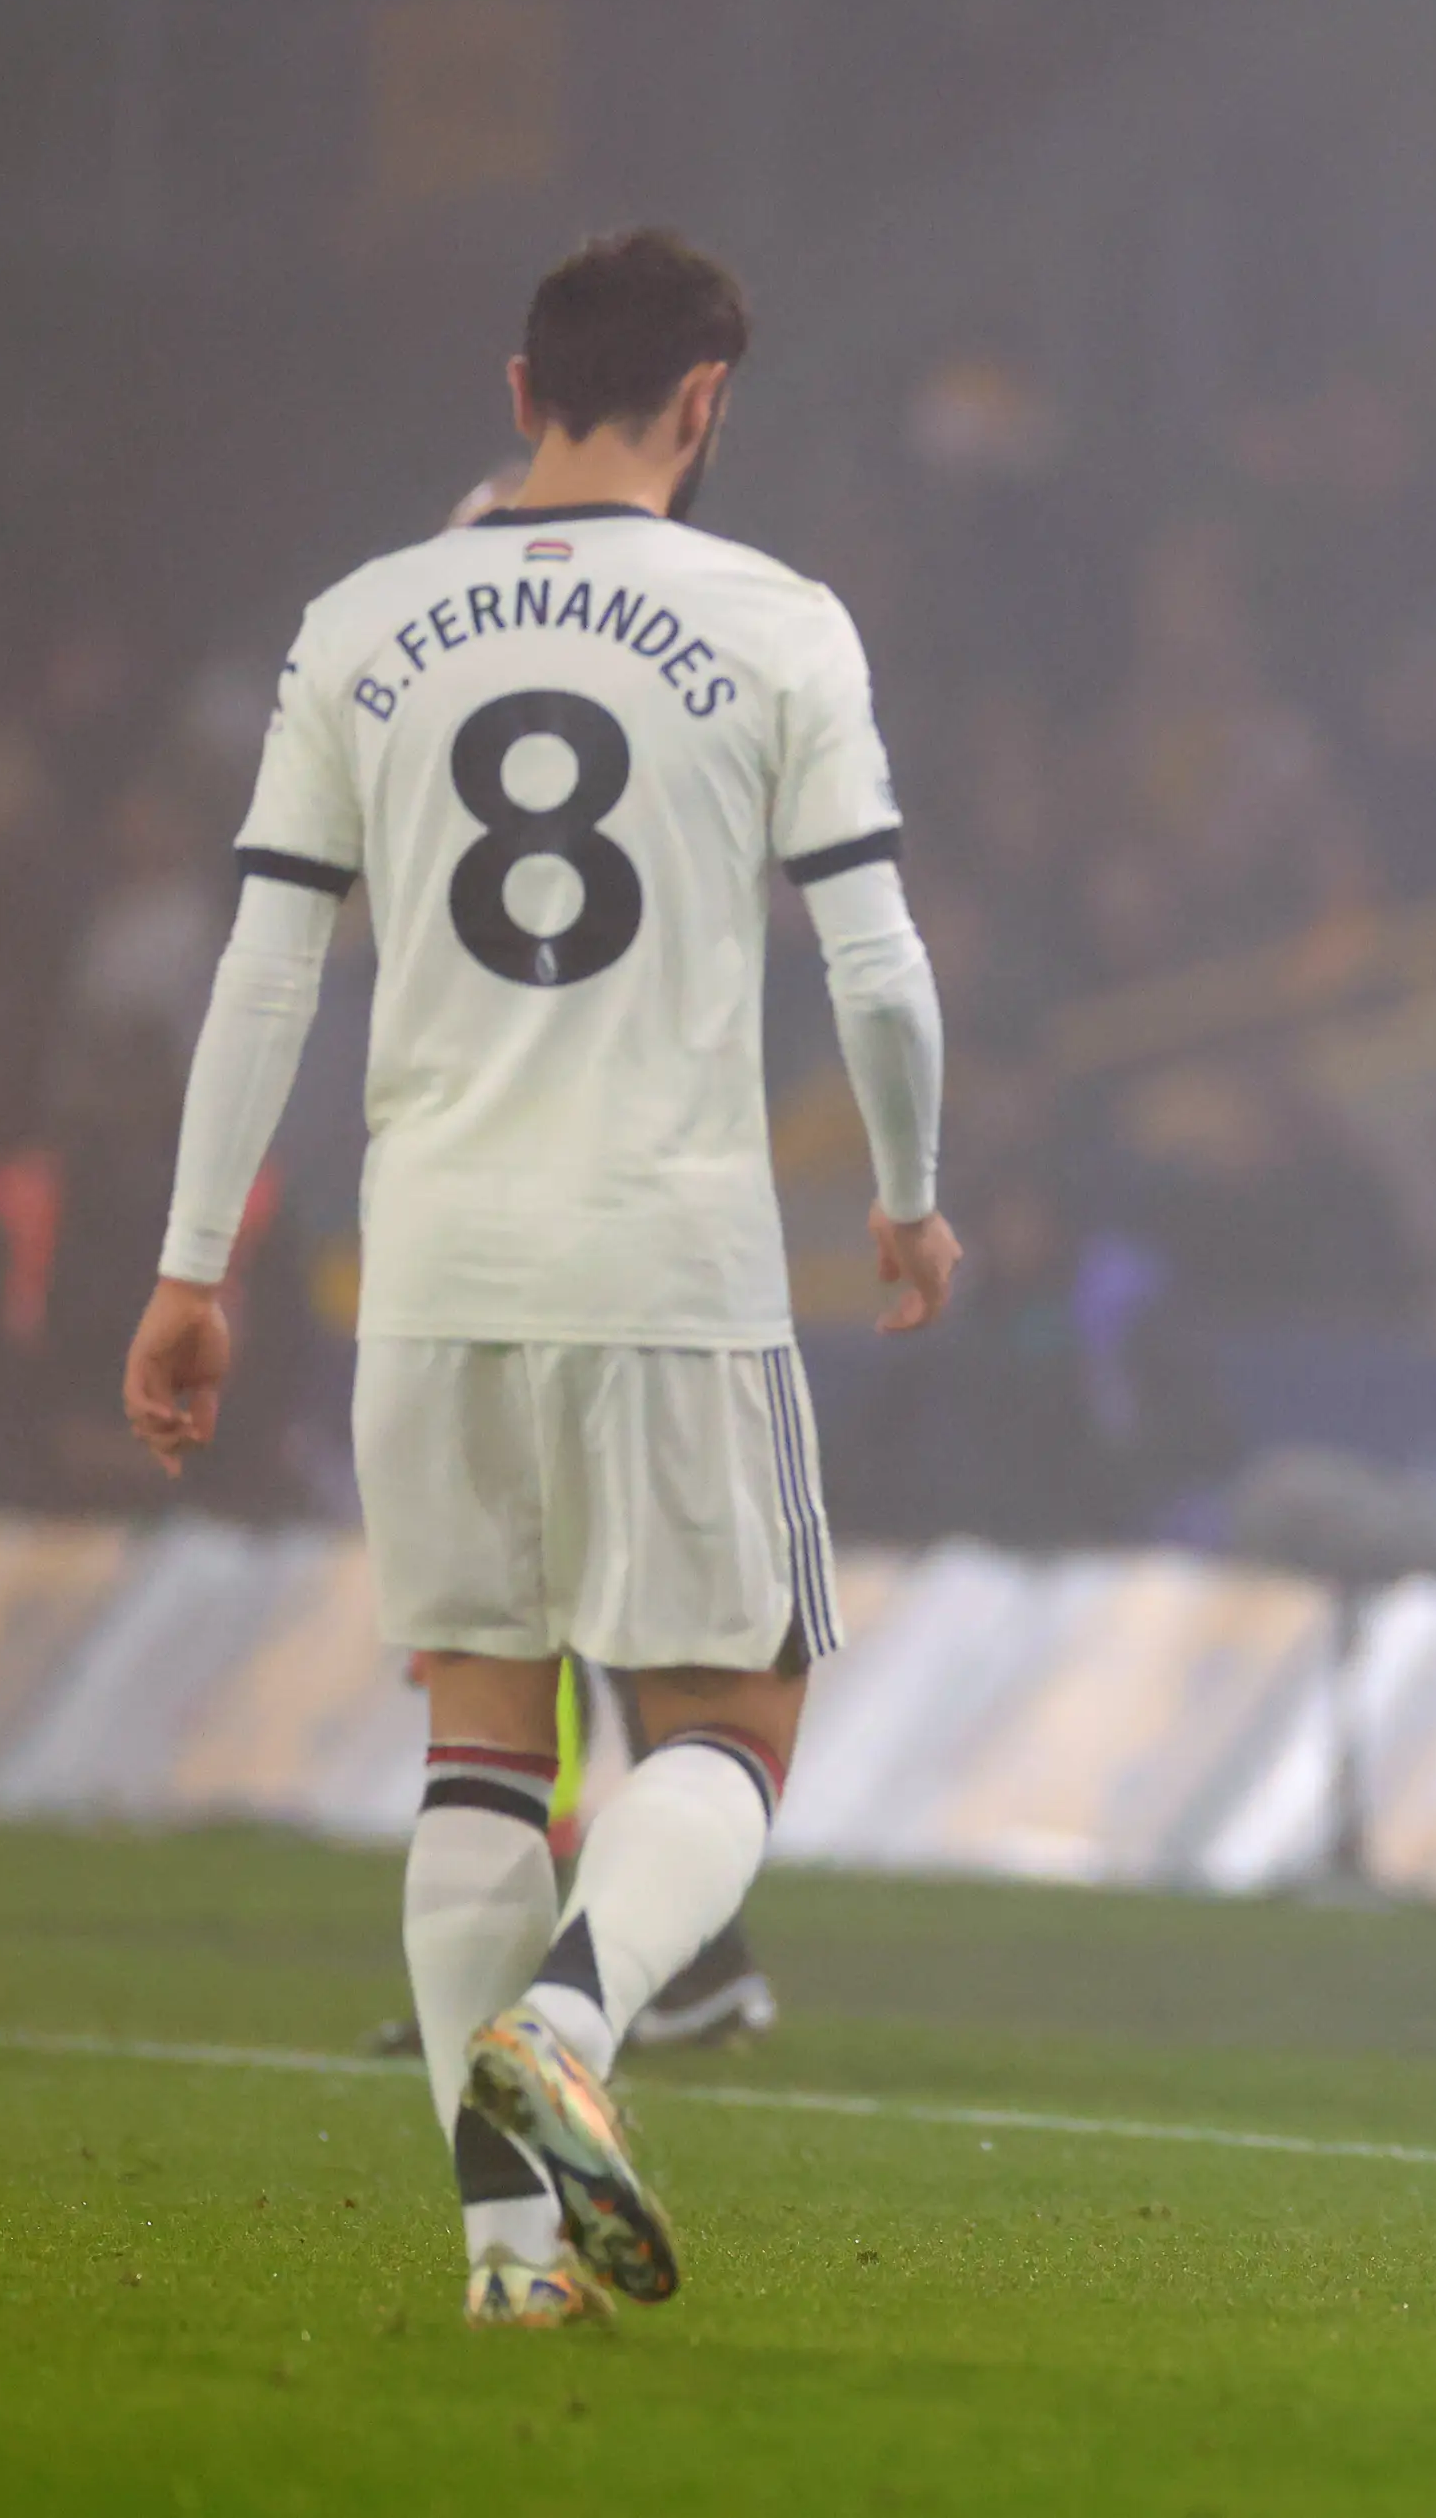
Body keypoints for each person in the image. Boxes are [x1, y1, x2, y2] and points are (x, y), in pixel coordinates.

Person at [119, 229, 957, 2329]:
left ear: (520, 394)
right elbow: (876, 959)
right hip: (665, 1250)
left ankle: (507, 2260)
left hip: (433, 1262)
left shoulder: (365, 622)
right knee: (738, 1718)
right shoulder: (775, 623)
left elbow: (265, 966)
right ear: (704, 404)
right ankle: (573, 2017)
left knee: (482, 1738)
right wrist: (911, 1196)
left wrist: (188, 1258)